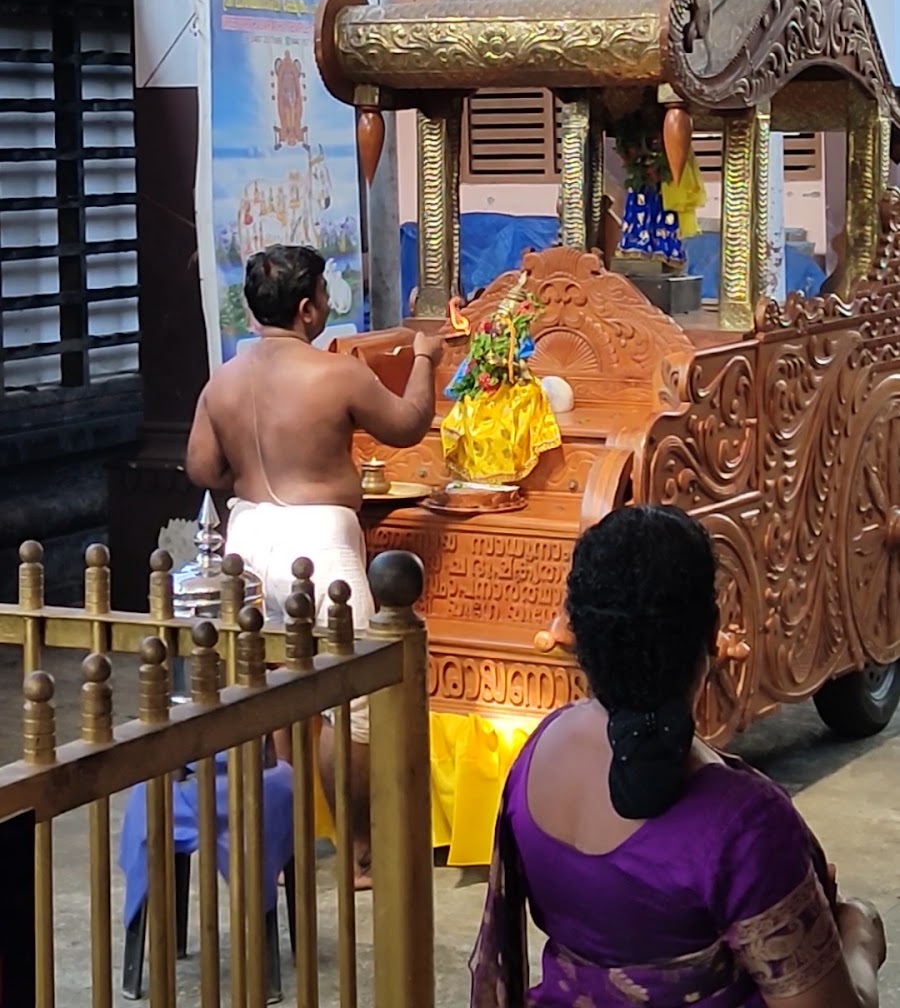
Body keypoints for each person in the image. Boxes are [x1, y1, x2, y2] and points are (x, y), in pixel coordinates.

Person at [470, 505, 886, 1008]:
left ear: (576, 636)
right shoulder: (745, 824)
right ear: (713, 633)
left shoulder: (539, 753)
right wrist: (860, 935)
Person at [186, 243, 443, 887]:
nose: (328, 304)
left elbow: (202, 468)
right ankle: (357, 850)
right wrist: (424, 357)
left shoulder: (223, 381)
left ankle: (283, 844)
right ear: (307, 309)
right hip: (320, 542)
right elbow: (409, 424)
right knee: (352, 702)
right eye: (325, 294)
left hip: (248, 538)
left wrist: (252, 473)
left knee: (270, 689)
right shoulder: (336, 374)